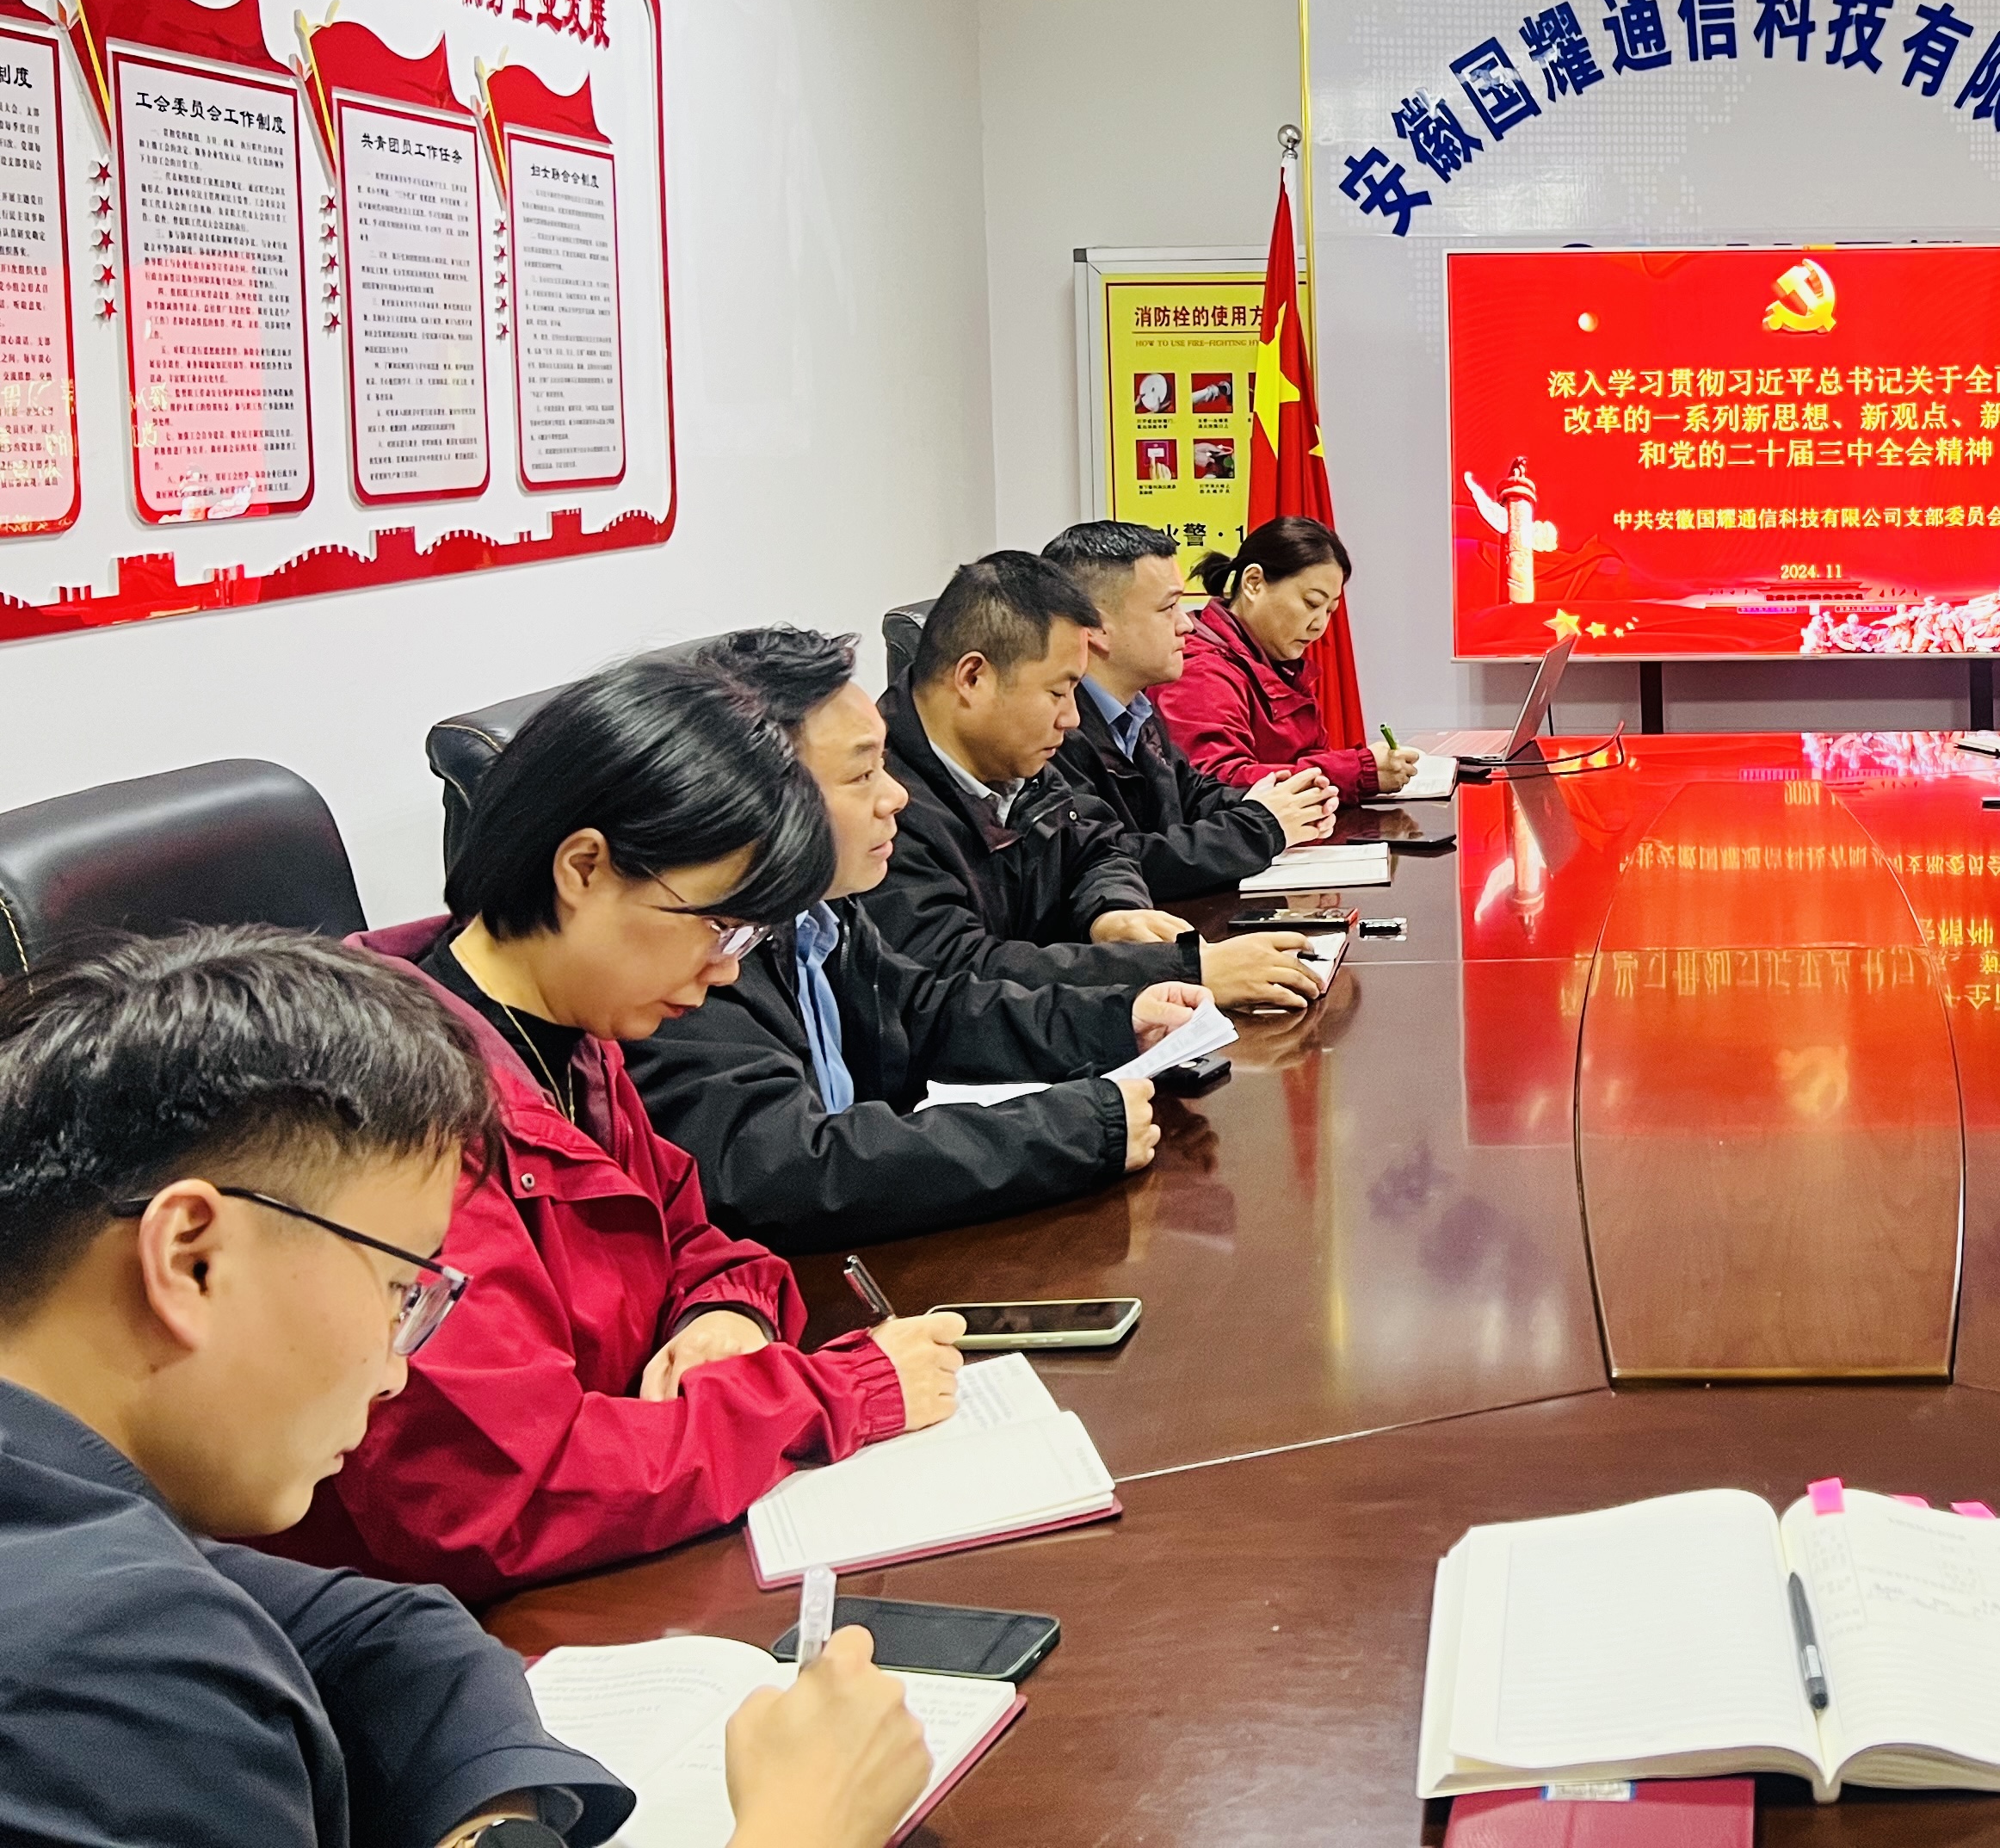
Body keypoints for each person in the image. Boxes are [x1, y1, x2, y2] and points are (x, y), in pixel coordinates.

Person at [0, 925, 935, 1848]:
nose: (397, 1367)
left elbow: (394, 1632)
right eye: (397, 1290)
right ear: (193, 1260)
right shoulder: (92, 1668)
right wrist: (802, 1827)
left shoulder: (75, 1510)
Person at [265, 663, 971, 1605]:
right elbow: (504, 1495)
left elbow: (700, 1242)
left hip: (608, 1560)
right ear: (585, 868)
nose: (727, 972)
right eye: (717, 926)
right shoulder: (396, 1117)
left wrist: (721, 1319)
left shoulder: (573, 1042)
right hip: (429, 1624)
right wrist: (842, 1394)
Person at [626, 627, 1234, 1252]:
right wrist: (1072, 1128)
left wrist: (1113, 1023)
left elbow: (923, 1012)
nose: (895, 797)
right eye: (862, 774)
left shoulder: (813, 913)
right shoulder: (697, 953)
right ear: (756, 798)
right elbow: (779, 1169)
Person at [867, 553, 1316, 1012]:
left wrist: (1112, 910)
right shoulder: (881, 808)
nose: (1072, 717)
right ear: (973, 678)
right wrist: (1178, 971)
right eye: (1057, 692)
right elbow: (962, 975)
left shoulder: (1014, 761)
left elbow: (1096, 847)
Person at [1041, 520, 1336, 896]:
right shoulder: (1055, 730)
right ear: (1097, 626)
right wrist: (1262, 825)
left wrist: (1274, 798)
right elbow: (1109, 858)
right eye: (1169, 607)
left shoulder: (1137, 710)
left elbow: (1192, 793)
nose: (1187, 624)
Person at [1160, 515, 1423, 797]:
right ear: (1253, 583)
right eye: (1312, 603)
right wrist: (1357, 771)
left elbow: (1309, 757)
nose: (1320, 625)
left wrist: (1358, 770)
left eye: (1329, 610)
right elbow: (1216, 784)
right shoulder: (1200, 669)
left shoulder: (1278, 664)